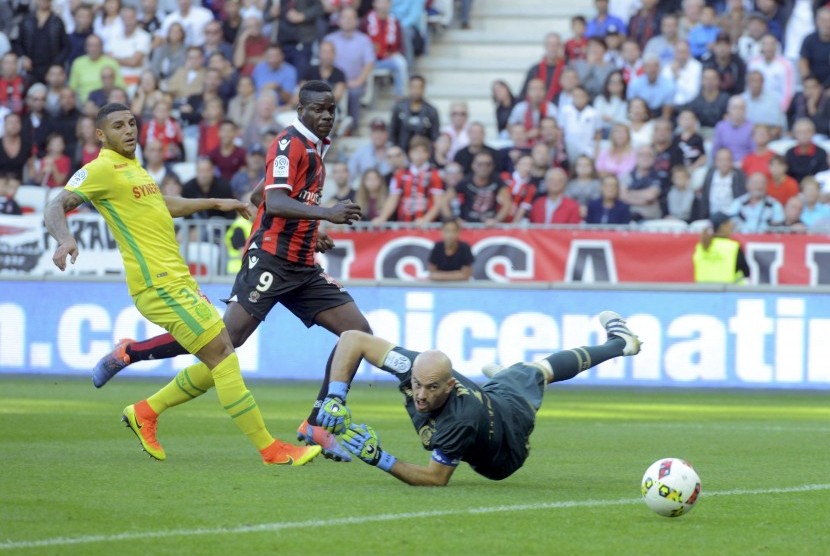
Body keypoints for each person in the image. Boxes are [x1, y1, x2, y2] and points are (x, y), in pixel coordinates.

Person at [90, 83, 371, 462]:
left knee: (358, 333)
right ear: (300, 108)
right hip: (269, 264)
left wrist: (310, 230)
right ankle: (135, 363)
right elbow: (273, 200)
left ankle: (317, 422)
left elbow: (260, 197)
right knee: (221, 345)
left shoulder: (318, 147)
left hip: (302, 267)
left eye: (331, 110)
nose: (326, 116)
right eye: (319, 109)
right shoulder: (289, 145)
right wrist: (326, 214)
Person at [45, 102, 320, 466]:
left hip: (179, 280)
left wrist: (217, 203)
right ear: (100, 135)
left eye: (131, 123)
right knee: (222, 355)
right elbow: (56, 204)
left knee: (216, 358)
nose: (129, 130)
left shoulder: (132, 168)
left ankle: (145, 411)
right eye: (118, 126)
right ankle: (270, 449)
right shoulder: (99, 170)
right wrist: (64, 238)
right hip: (157, 285)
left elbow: (161, 203)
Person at [311, 311, 641, 485]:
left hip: (506, 447)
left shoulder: (460, 419)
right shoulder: (416, 368)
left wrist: (380, 458)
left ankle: (620, 344)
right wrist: (335, 397)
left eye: (431, 388)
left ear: (450, 385)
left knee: (536, 370)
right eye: (417, 384)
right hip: (490, 400)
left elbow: (436, 479)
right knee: (522, 374)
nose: (421, 395)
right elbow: (353, 338)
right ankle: (506, 376)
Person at [693, 212, 749, 283]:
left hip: (703, 291)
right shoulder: (732, 247)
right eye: (729, 223)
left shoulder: (700, 247)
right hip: (727, 291)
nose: (732, 225)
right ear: (723, 226)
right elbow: (746, 272)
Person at [389, 74, 440, 150]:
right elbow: (393, 132)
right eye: (413, 87)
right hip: (402, 152)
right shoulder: (399, 108)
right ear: (409, 88)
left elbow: (434, 135)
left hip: (423, 154)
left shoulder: (431, 111)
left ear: (423, 89)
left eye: (419, 87)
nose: (416, 91)